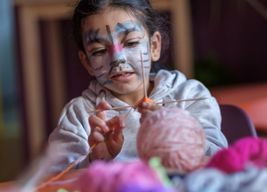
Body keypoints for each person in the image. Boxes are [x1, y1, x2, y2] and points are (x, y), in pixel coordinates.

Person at [49, 0, 228, 171]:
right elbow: (56, 180)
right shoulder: (81, 115)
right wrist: (94, 160)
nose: (118, 59)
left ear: (154, 46)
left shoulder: (188, 95)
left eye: (131, 43)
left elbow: (220, 161)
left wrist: (175, 131)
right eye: (99, 51)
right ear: (87, 62)